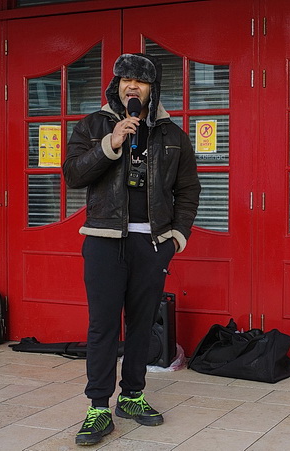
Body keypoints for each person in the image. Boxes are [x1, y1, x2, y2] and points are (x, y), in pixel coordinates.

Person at [64, 53, 201, 446]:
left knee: (142, 326)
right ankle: (97, 408)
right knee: (102, 326)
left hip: (152, 243)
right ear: (116, 86)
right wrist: (112, 142)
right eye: (125, 80)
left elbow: (188, 190)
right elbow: (73, 174)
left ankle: (133, 396)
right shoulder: (94, 126)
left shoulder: (172, 134)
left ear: (150, 89)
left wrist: (177, 236)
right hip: (104, 240)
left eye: (139, 82)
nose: (132, 87)